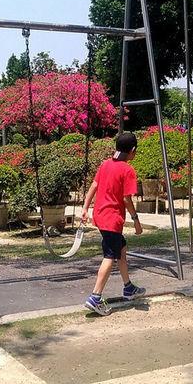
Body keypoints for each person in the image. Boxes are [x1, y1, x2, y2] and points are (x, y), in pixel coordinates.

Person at [80, 132, 146, 316]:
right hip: (112, 219)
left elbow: (93, 186)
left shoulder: (105, 164)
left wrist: (85, 208)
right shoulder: (127, 170)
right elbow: (126, 199)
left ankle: (128, 288)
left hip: (100, 216)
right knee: (110, 255)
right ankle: (95, 296)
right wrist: (136, 221)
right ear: (132, 151)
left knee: (121, 247)